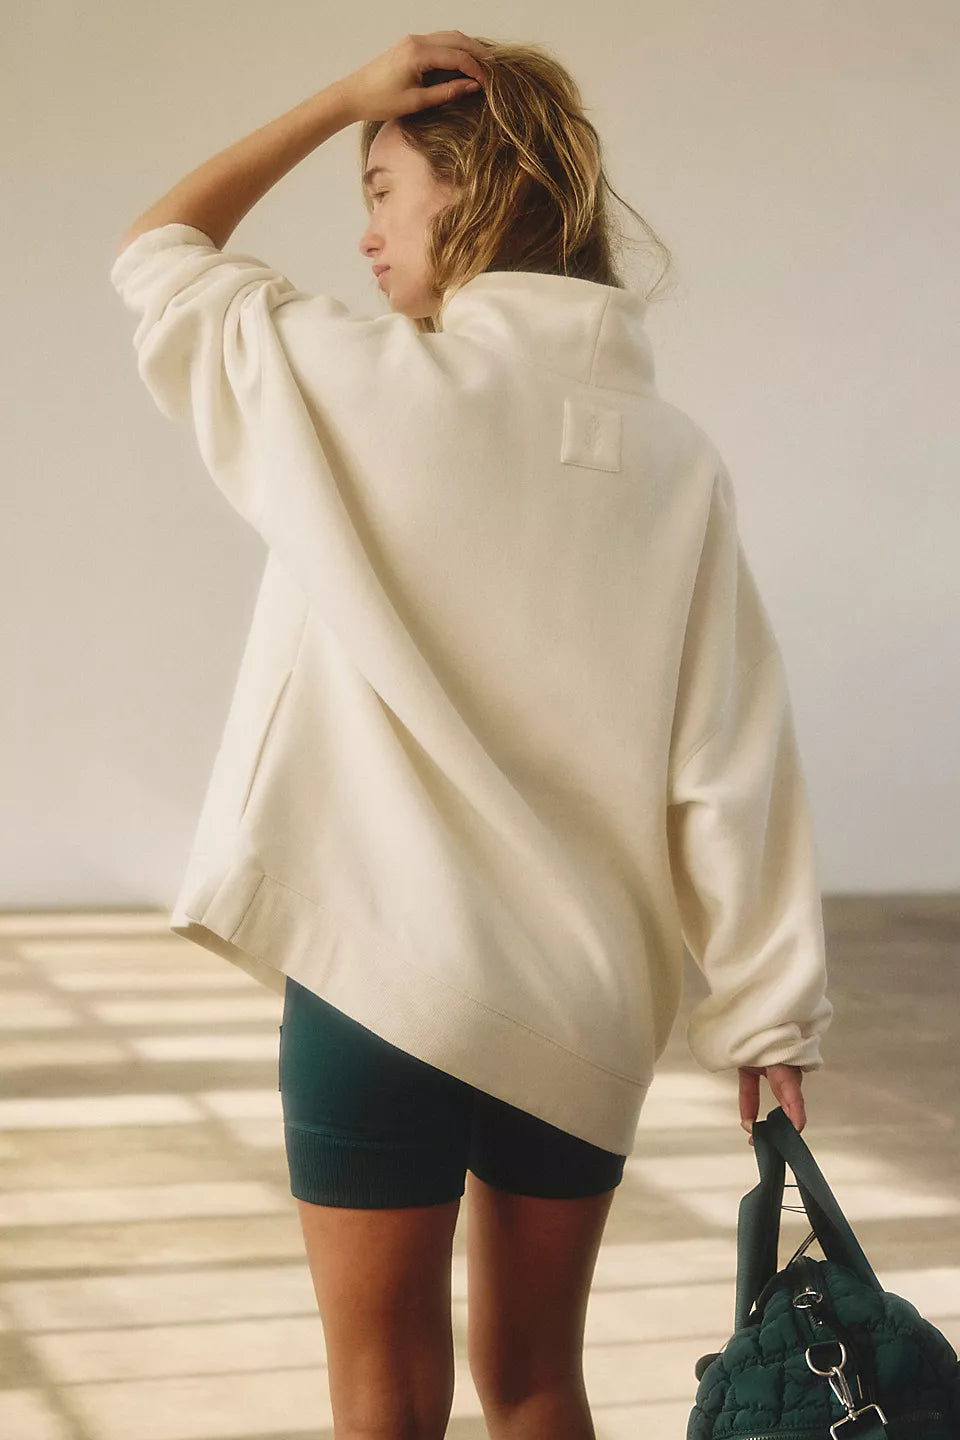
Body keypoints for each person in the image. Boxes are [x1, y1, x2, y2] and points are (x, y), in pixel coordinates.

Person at [110, 31, 832, 1440]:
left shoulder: (354, 388)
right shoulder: (675, 458)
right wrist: (768, 1008)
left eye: (383, 189)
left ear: (476, 189)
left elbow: (160, 251)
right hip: (583, 1001)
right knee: (539, 1381)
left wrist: (338, 99)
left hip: (379, 976)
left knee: (383, 1395)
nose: (366, 235)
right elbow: (728, 753)